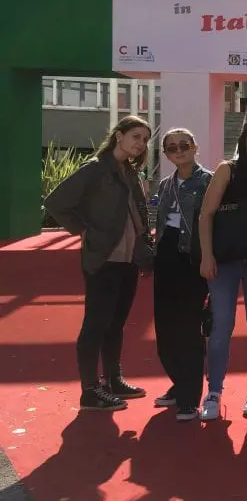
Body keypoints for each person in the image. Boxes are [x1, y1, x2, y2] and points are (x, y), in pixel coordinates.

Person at [44, 116, 153, 412]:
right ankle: (90, 390)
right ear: (118, 136)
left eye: (145, 139)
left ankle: (113, 380)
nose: (141, 143)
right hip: (104, 258)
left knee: (115, 323)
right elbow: (56, 203)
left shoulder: (130, 171)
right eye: (136, 137)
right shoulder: (95, 168)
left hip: (128, 259)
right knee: (96, 323)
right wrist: (85, 230)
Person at [197, 117, 247, 420]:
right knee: (221, 327)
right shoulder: (226, 170)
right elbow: (206, 215)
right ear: (243, 141)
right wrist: (207, 256)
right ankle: (214, 392)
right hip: (224, 261)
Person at [151, 128, 212, 422]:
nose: (178, 150)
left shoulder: (209, 181)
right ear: (166, 153)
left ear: (195, 147)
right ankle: (178, 383)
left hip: (192, 258)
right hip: (165, 257)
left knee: (189, 328)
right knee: (165, 328)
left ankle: (190, 397)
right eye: (172, 147)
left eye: (184, 144)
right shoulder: (165, 184)